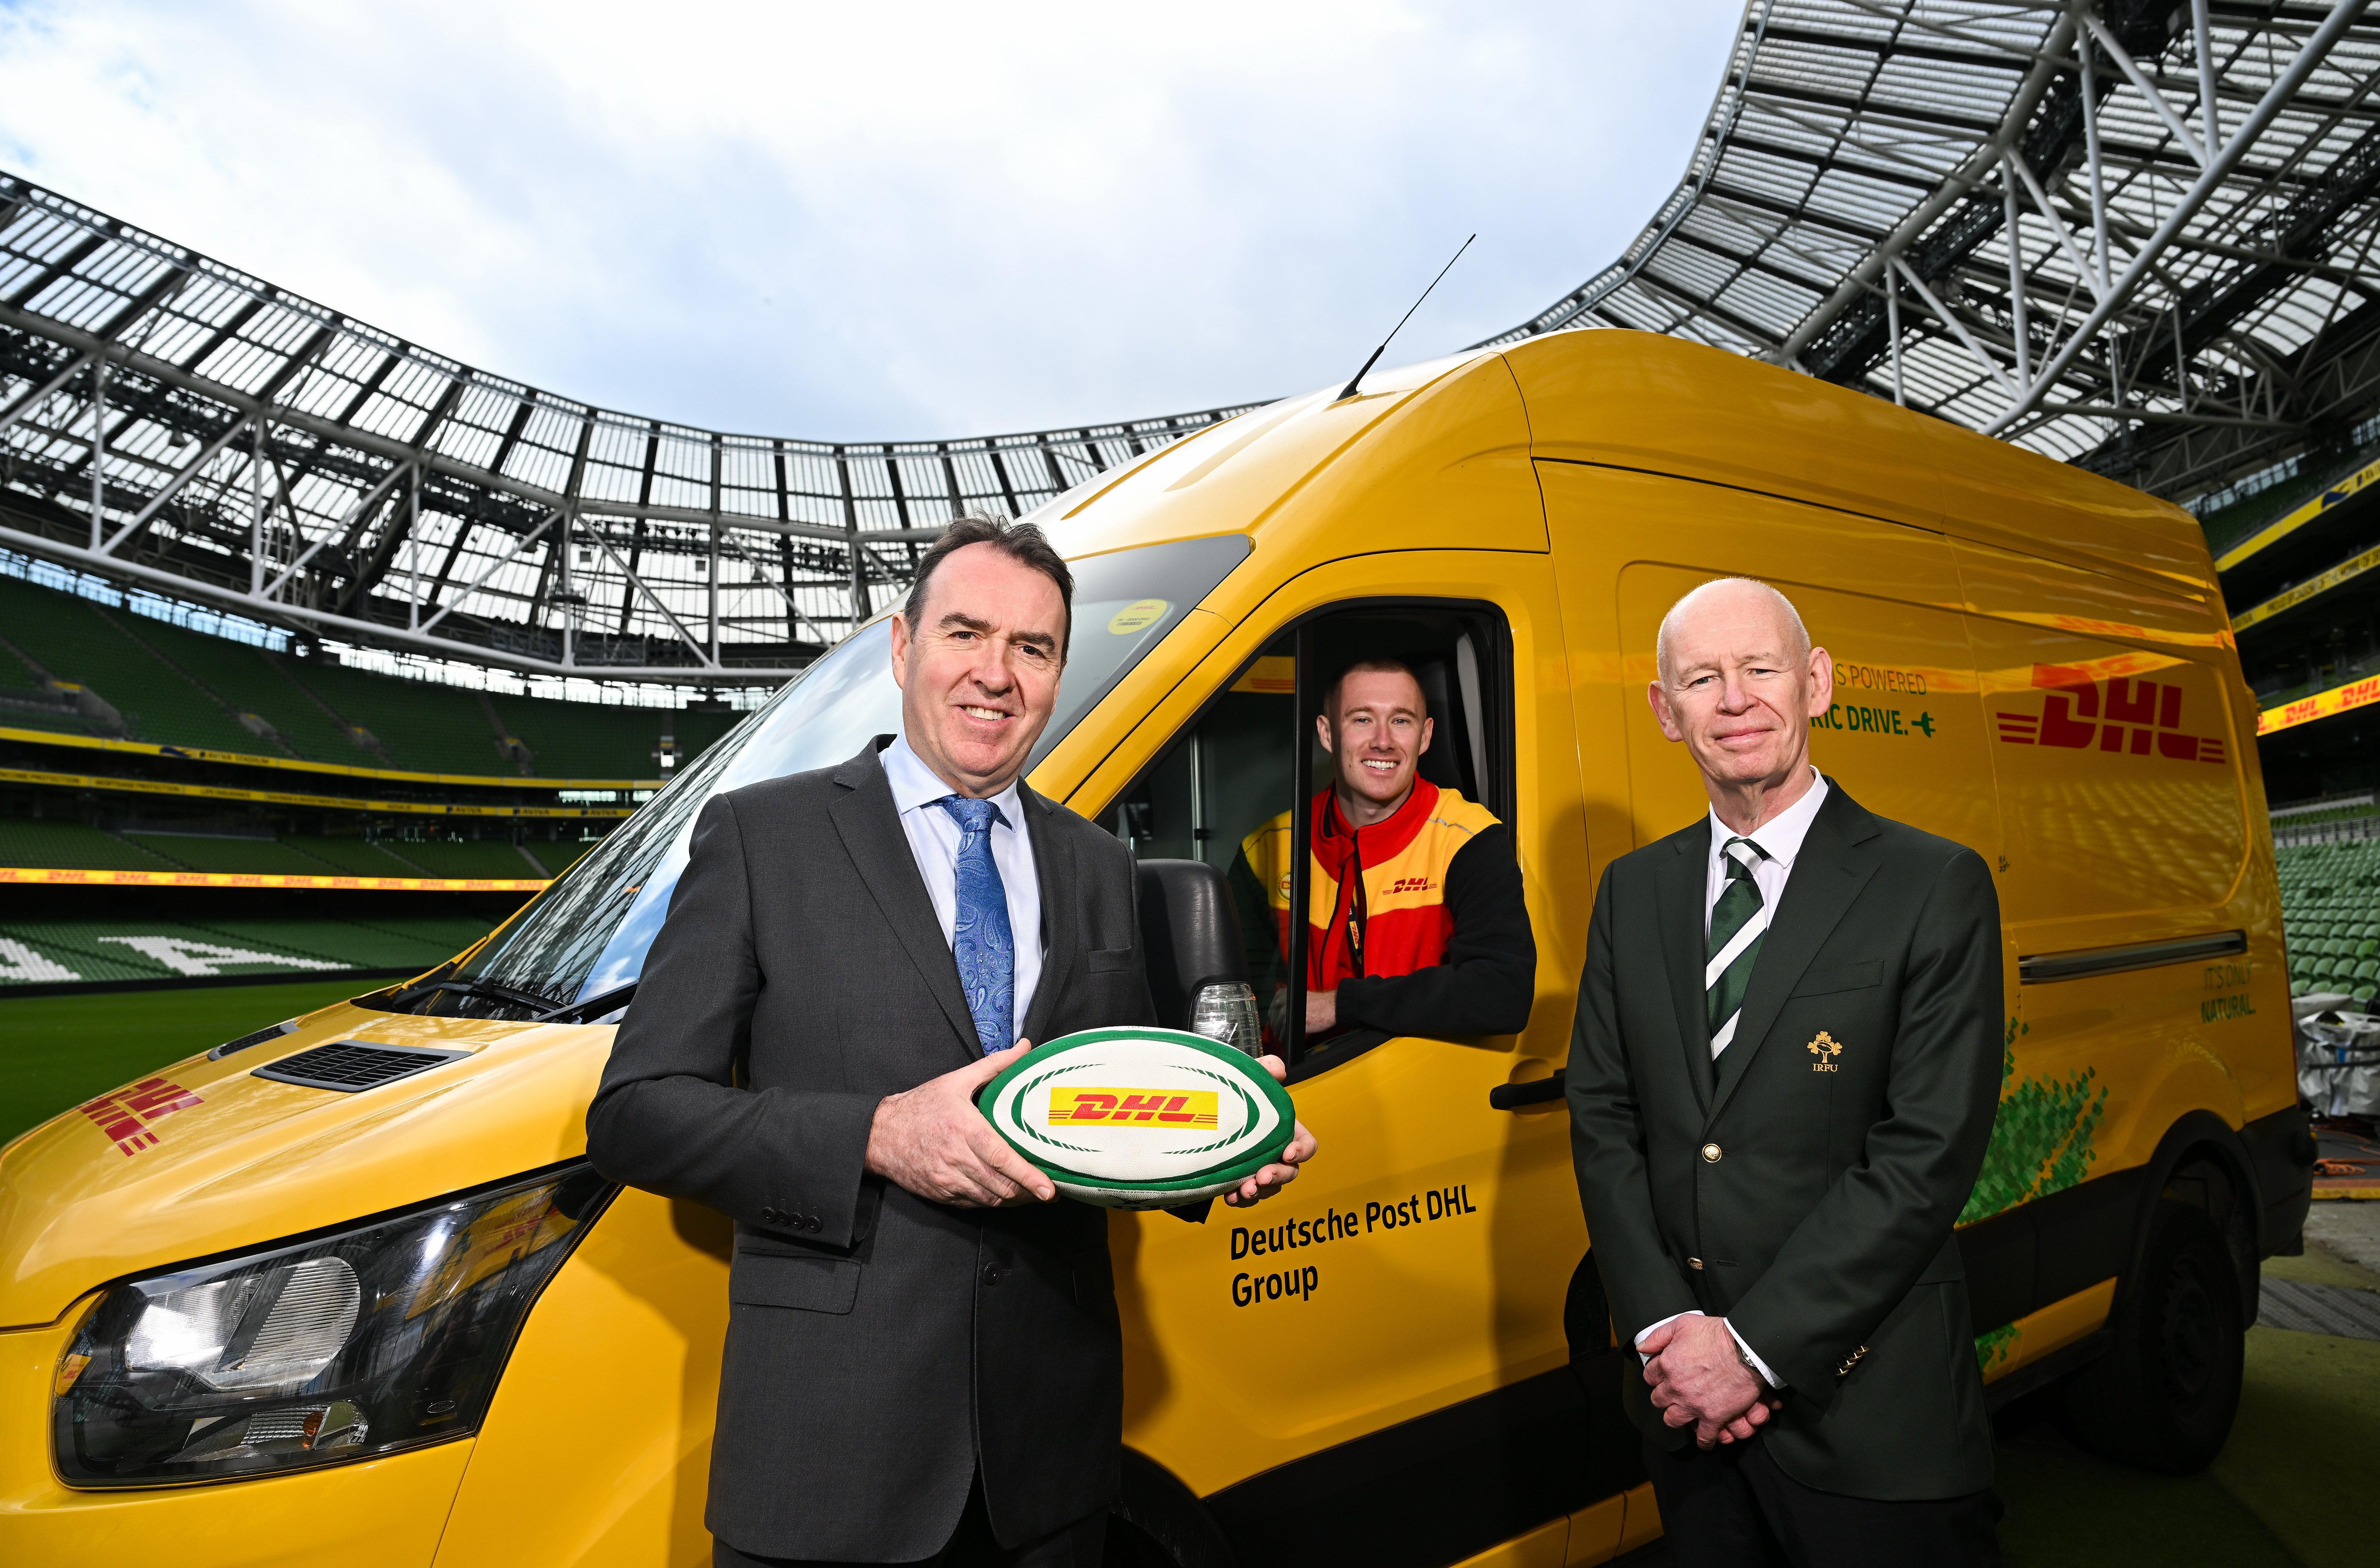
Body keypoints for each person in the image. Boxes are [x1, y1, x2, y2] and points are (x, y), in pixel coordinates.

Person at [586, 514, 1316, 1568]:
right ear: (903, 647)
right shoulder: (761, 835)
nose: (997, 673)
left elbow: (1096, 1117)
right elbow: (638, 1112)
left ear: (1057, 674)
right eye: (966, 633)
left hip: (1049, 1464)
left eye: (1033, 648)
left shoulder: (1098, 864)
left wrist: (1215, 1153)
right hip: (830, 1459)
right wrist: (876, 1135)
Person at [1565, 578, 2003, 1567]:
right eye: (1701, 679)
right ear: (1664, 710)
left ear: (1817, 683)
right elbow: (1601, 1113)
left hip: (1871, 1414)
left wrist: (1752, 1349)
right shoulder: (1631, 891)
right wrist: (1668, 1330)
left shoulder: (1933, 883)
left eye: (1760, 668)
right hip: (1686, 1412)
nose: (1734, 699)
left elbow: (1926, 1152)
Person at [1231, 658, 1534, 1049]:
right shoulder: (1268, 847)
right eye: (1362, 719)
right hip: (1304, 1081)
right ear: (1327, 733)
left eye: (1401, 720)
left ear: (1425, 737)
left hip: (1421, 1079)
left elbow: (1503, 994)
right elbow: (1235, 999)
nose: (1383, 741)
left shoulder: (1469, 840)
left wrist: (1341, 1005)